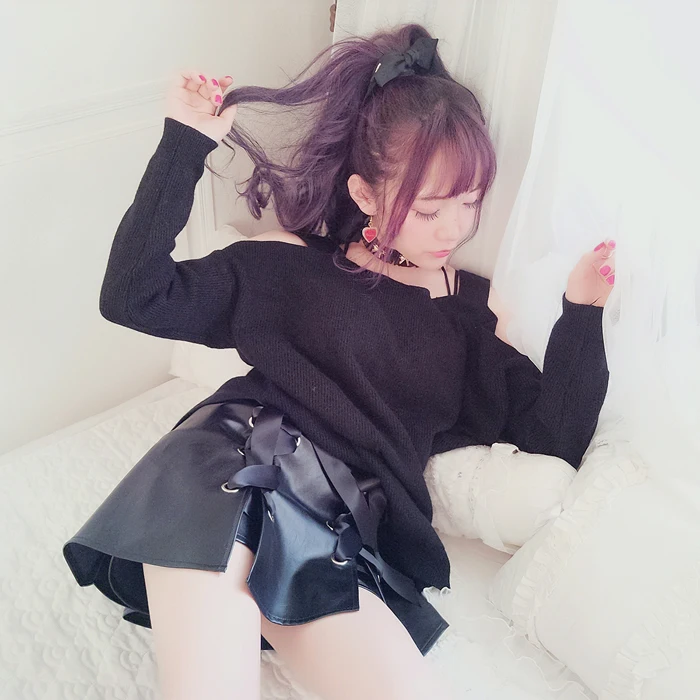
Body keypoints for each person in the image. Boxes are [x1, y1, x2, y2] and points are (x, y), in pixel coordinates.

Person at [63, 23, 615, 700]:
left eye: (470, 203)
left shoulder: (469, 315)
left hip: (340, 526)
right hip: (227, 468)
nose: (454, 228)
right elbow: (134, 296)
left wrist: (581, 316)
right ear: (364, 195)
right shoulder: (291, 264)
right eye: (430, 208)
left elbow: (552, 439)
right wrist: (186, 142)